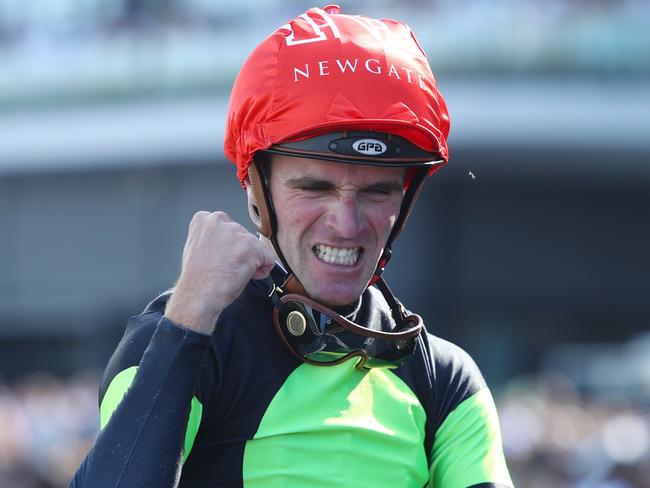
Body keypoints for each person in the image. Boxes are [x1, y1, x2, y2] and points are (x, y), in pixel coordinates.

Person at [72, 5, 513, 487]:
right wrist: (190, 316)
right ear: (257, 189)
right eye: (315, 188)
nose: (346, 225)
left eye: (377, 191)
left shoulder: (446, 380)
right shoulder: (179, 343)